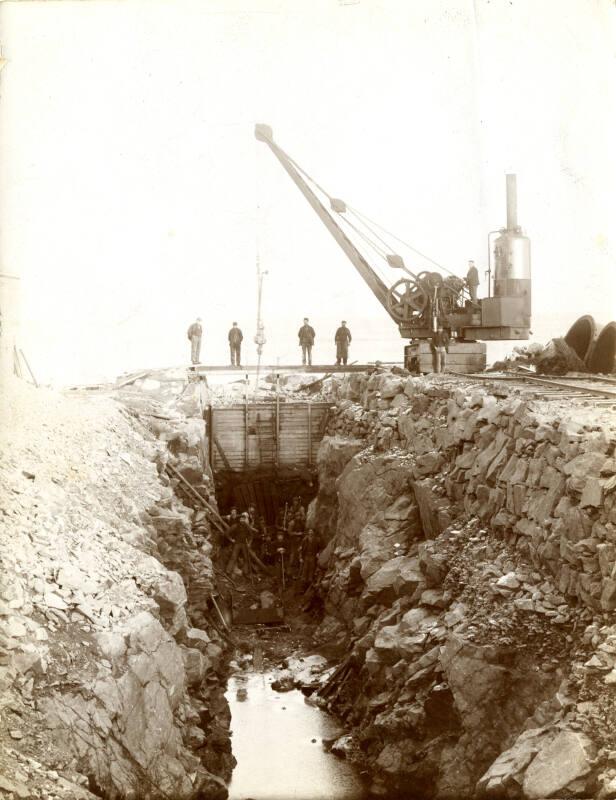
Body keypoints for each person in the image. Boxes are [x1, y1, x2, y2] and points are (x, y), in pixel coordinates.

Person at [225, 512, 256, 576]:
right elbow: (227, 533)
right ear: (239, 519)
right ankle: (228, 571)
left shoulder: (247, 526)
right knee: (233, 557)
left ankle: (245, 572)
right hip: (237, 544)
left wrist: (249, 543)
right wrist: (231, 539)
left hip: (244, 544)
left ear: (245, 520)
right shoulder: (235, 526)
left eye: (243, 519)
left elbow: (251, 535)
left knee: (246, 558)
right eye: (241, 519)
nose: (242, 520)